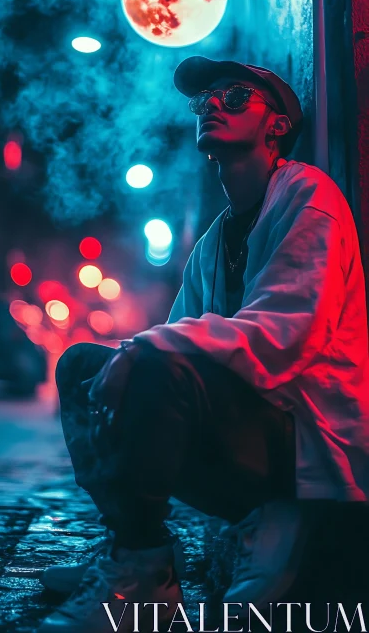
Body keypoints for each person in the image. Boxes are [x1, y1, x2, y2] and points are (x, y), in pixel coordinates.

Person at [38, 57, 369, 633]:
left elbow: (285, 338)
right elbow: (179, 343)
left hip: (309, 444)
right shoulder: (217, 238)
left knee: (147, 363)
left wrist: (143, 352)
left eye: (236, 97)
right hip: (252, 433)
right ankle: (138, 552)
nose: (212, 103)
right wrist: (132, 355)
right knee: (82, 364)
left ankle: (145, 574)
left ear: (277, 126)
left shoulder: (309, 197)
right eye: (205, 99)